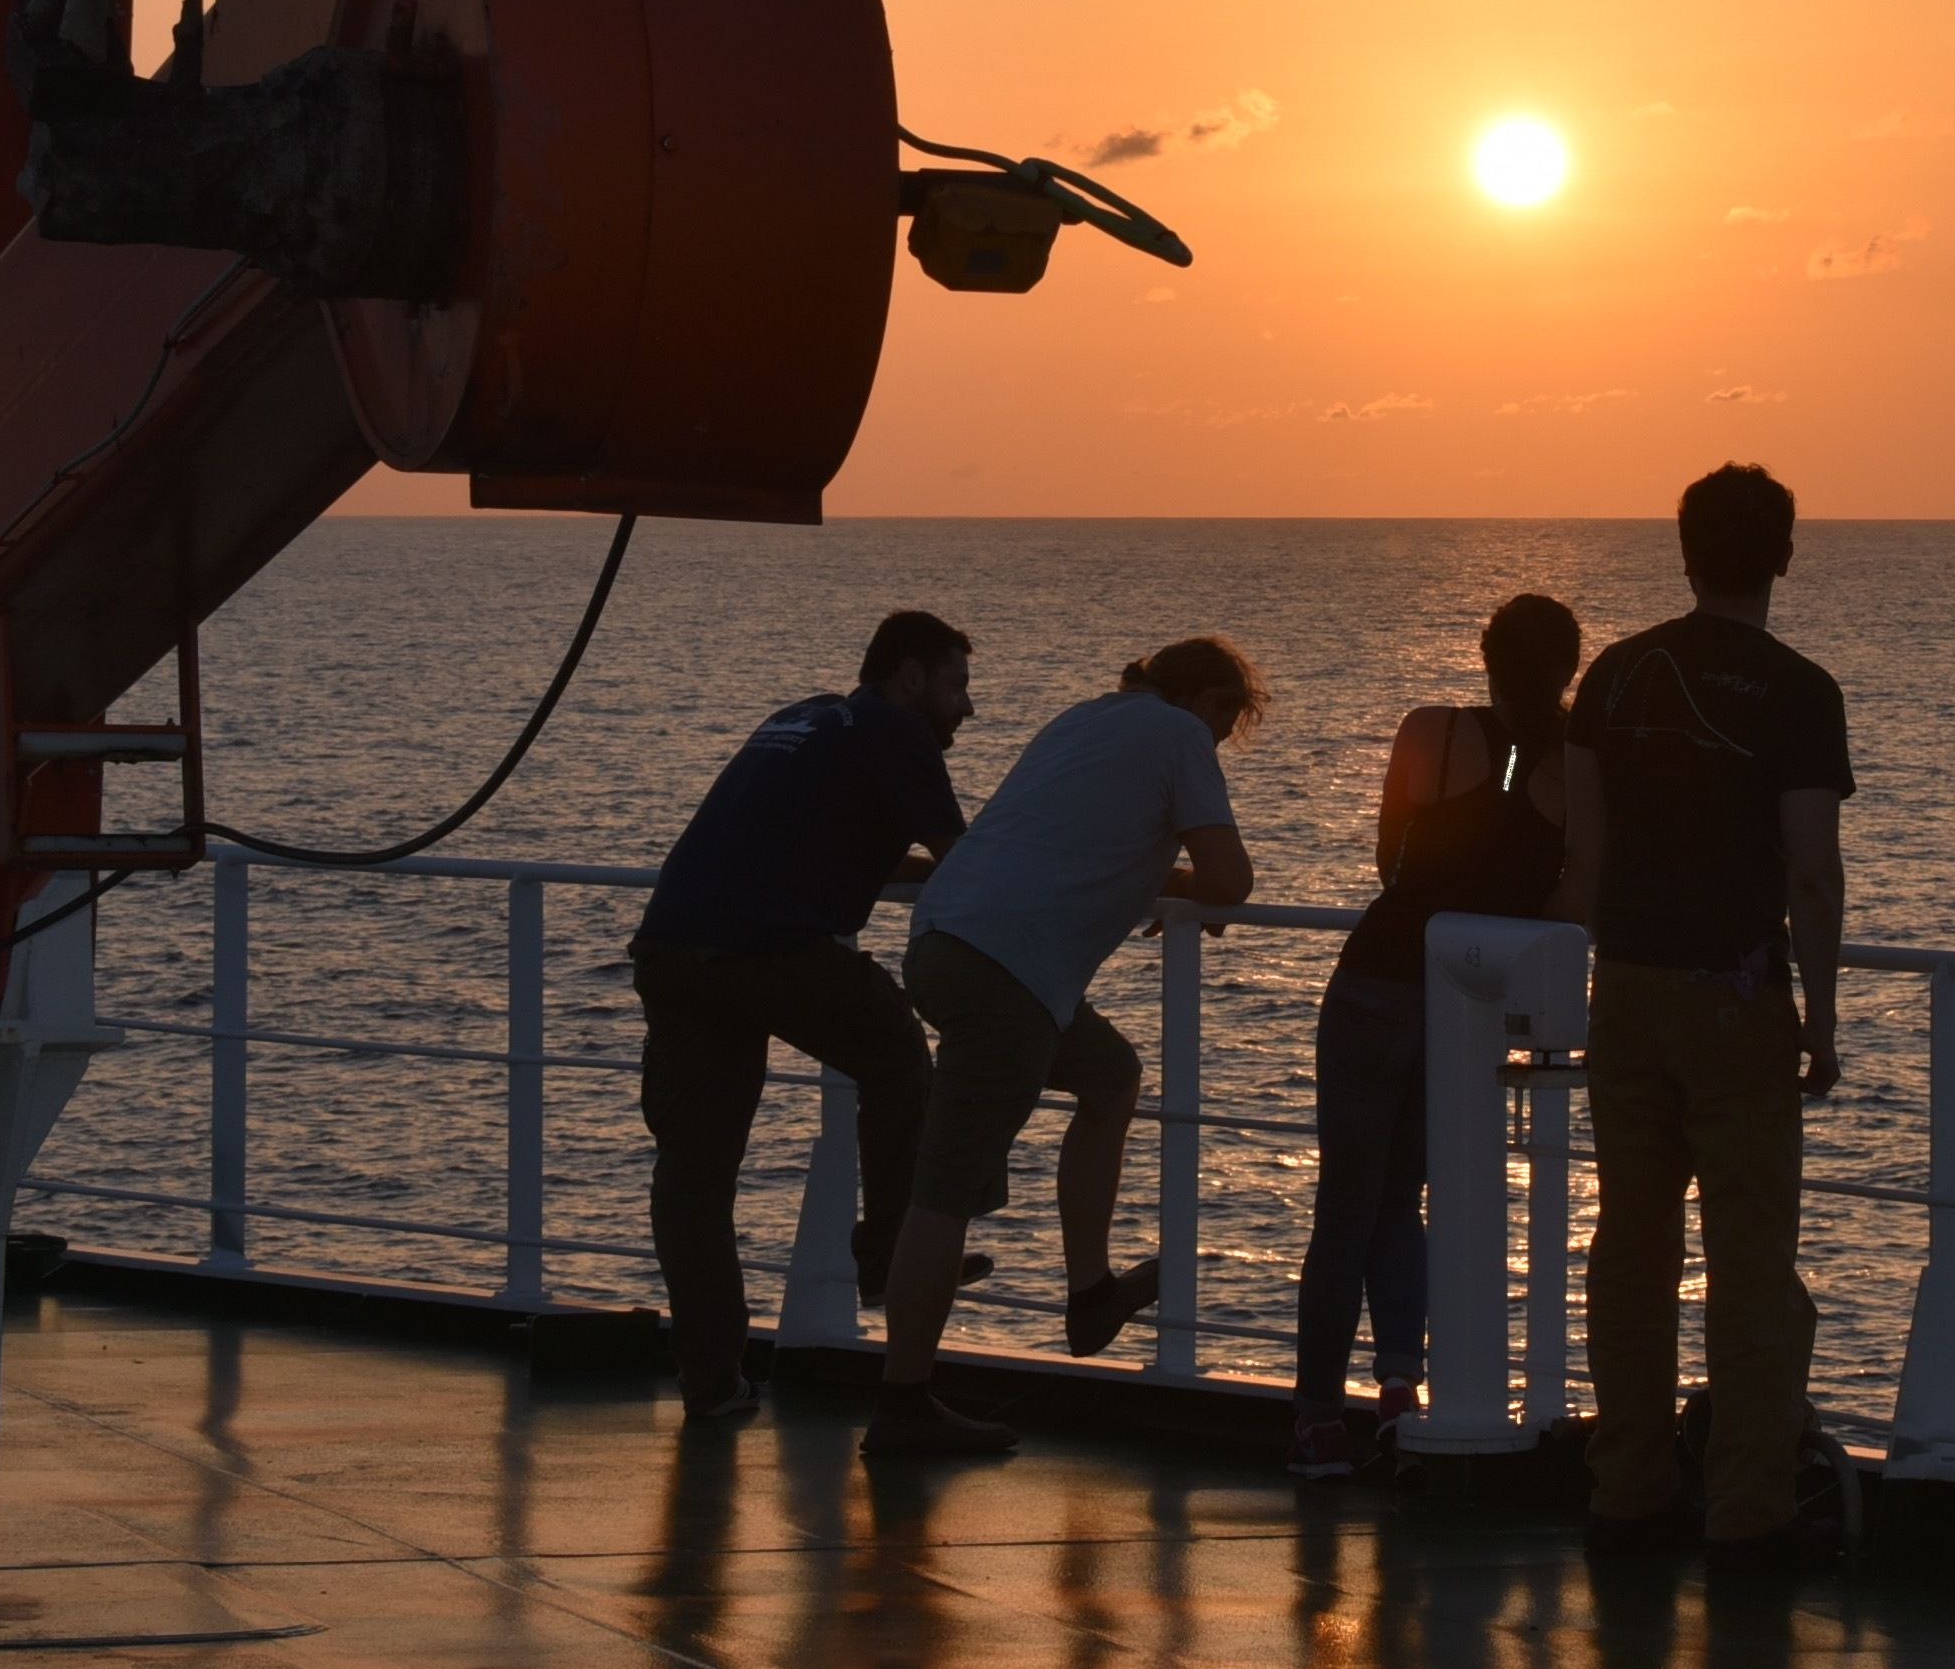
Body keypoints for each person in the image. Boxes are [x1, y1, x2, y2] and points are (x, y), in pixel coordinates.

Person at [1553, 465, 1853, 1569]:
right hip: (1736, 997)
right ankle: (1748, 1511)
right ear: (1782, 552)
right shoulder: (1797, 690)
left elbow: (1584, 862)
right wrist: (1820, 1016)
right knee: (1751, 1260)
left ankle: (1627, 1494)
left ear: (1682, 548)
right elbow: (1810, 873)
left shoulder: (1613, 676)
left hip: (1625, 986)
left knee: (1630, 1249)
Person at [864, 637, 1265, 1462]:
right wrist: (1187, 886)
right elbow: (1229, 877)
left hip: (950, 941)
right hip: (1004, 973)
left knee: (1111, 1076)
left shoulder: (1083, 719)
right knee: (940, 1195)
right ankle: (902, 1404)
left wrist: (1158, 878)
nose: (1222, 741)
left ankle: (1091, 1292)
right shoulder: (1179, 733)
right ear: (1207, 700)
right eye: (1228, 720)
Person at [628, 610, 979, 1426]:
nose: (968, 709)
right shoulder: (898, 731)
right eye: (958, 686)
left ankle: (713, 1381)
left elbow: (811, 840)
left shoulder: (803, 717)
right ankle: (891, 1257)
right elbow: (964, 861)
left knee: (695, 1172)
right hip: (765, 950)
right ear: (912, 676)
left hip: (675, 948)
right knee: (896, 1050)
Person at [1292, 592, 1579, 1478]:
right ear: (1570, 668)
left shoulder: (1431, 731)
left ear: (1484, 658)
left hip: (1379, 976)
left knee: (1349, 1204)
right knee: (1404, 1197)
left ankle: (1315, 1424)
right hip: (1470, 1003)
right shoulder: (1579, 768)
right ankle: (1399, 1385)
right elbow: (1570, 896)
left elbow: (1391, 860)